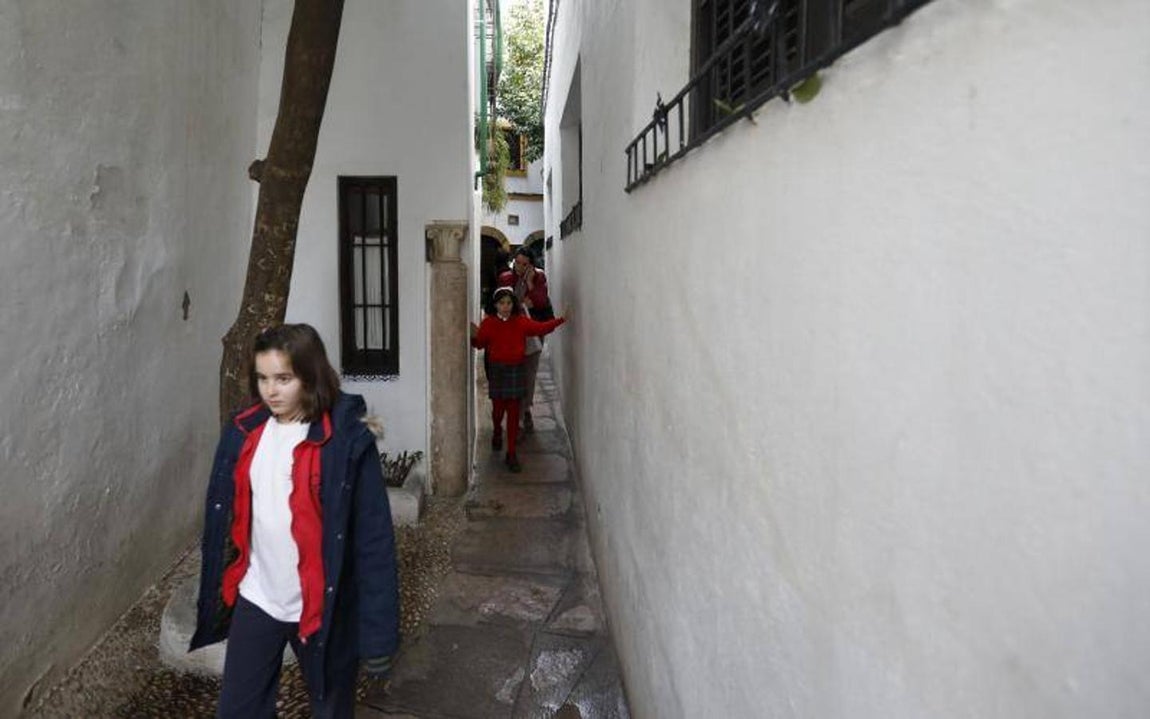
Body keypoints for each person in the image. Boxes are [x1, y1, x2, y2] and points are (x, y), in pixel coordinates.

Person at [190, 324, 399, 719]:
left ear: (310, 374)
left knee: (331, 710)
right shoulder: (244, 430)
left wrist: (378, 635)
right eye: (263, 378)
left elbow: (373, 540)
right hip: (259, 597)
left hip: (323, 606)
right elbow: (229, 516)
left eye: (283, 378)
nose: (271, 390)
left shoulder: (348, 443)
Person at [471, 286, 566, 472]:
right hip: (498, 371)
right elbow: (480, 344)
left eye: (508, 303)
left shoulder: (521, 322)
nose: (505, 307)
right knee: (498, 411)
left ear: (513, 304)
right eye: (501, 303)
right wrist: (472, 336)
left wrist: (561, 320)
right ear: (495, 305)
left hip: (515, 370)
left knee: (514, 413)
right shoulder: (489, 323)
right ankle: (497, 431)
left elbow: (541, 327)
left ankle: (511, 453)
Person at [498, 247, 554, 433]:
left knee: (529, 373)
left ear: (531, 264)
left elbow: (542, 302)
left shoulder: (539, 277)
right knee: (513, 373)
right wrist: (520, 303)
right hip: (511, 334)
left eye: (525, 264)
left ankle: (523, 412)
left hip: (533, 333)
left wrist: (530, 284)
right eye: (518, 263)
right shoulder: (506, 278)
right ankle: (518, 411)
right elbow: (502, 304)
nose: (520, 267)